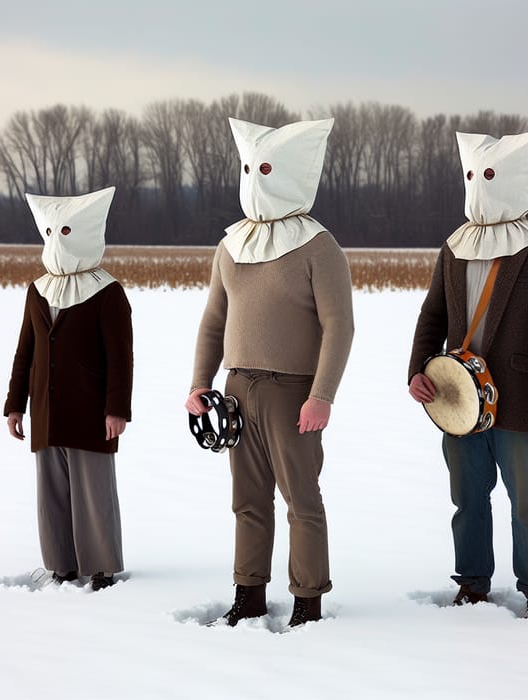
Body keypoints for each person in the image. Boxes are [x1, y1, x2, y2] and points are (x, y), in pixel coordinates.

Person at [185, 117, 354, 627]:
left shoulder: (319, 246)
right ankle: (249, 594)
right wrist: (199, 382)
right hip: (238, 390)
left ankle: (307, 599)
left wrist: (322, 395)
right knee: (247, 501)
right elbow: (214, 320)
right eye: (248, 168)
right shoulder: (231, 244)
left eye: (265, 168)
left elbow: (339, 326)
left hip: (293, 394)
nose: (254, 178)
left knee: (302, 500)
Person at [408, 129, 528, 617]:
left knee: (527, 502)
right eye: (472, 174)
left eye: (487, 174)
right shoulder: (454, 246)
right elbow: (432, 316)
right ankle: (472, 583)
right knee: (467, 499)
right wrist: (417, 370)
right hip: (458, 399)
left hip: (524, 401)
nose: (477, 183)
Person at [4, 186, 133, 592]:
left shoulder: (108, 292)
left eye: (65, 232)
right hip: (45, 409)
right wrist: (15, 405)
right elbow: (25, 350)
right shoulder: (38, 289)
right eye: (50, 233)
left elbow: (120, 357)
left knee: (94, 494)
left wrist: (116, 409)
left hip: (90, 410)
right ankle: (62, 564)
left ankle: (100, 568)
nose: (56, 241)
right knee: (52, 494)